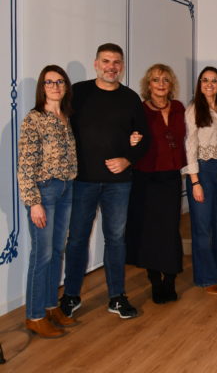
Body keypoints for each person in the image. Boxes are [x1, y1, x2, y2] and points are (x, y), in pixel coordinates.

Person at [61, 43, 149, 319]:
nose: (111, 67)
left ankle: (117, 297)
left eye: (116, 62)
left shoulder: (131, 98)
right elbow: (61, 126)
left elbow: (143, 138)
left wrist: (127, 159)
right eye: (106, 61)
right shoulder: (78, 93)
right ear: (96, 63)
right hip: (82, 181)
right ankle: (71, 295)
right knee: (77, 239)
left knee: (116, 239)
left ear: (122, 66)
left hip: (118, 183)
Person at [18, 66, 78, 338]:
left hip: (66, 188)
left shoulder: (65, 117)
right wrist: (34, 202)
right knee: (41, 255)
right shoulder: (34, 119)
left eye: (60, 81)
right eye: (49, 82)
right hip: (45, 192)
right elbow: (25, 165)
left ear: (66, 86)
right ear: (42, 87)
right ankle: (34, 315)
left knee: (56, 251)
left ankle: (51, 306)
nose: (55, 86)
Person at [125, 64, 186, 304]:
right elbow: (127, 138)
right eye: (156, 80)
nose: (161, 84)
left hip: (171, 178)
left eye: (165, 80)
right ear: (148, 85)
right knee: (149, 232)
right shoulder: (139, 110)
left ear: (171, 85)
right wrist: (131, 140)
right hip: (146, 179)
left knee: (170, 231)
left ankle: (170, 280)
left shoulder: (179, 108)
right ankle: (155, 282)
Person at [184, 67, 217, 295]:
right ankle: (207, 278)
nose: (209, 84)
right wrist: (195, 182)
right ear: (199, 84)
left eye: (214, 80)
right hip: (202, 171)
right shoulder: (194, 109)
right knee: (203, 227)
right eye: (205, 80)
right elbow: (190, 146)